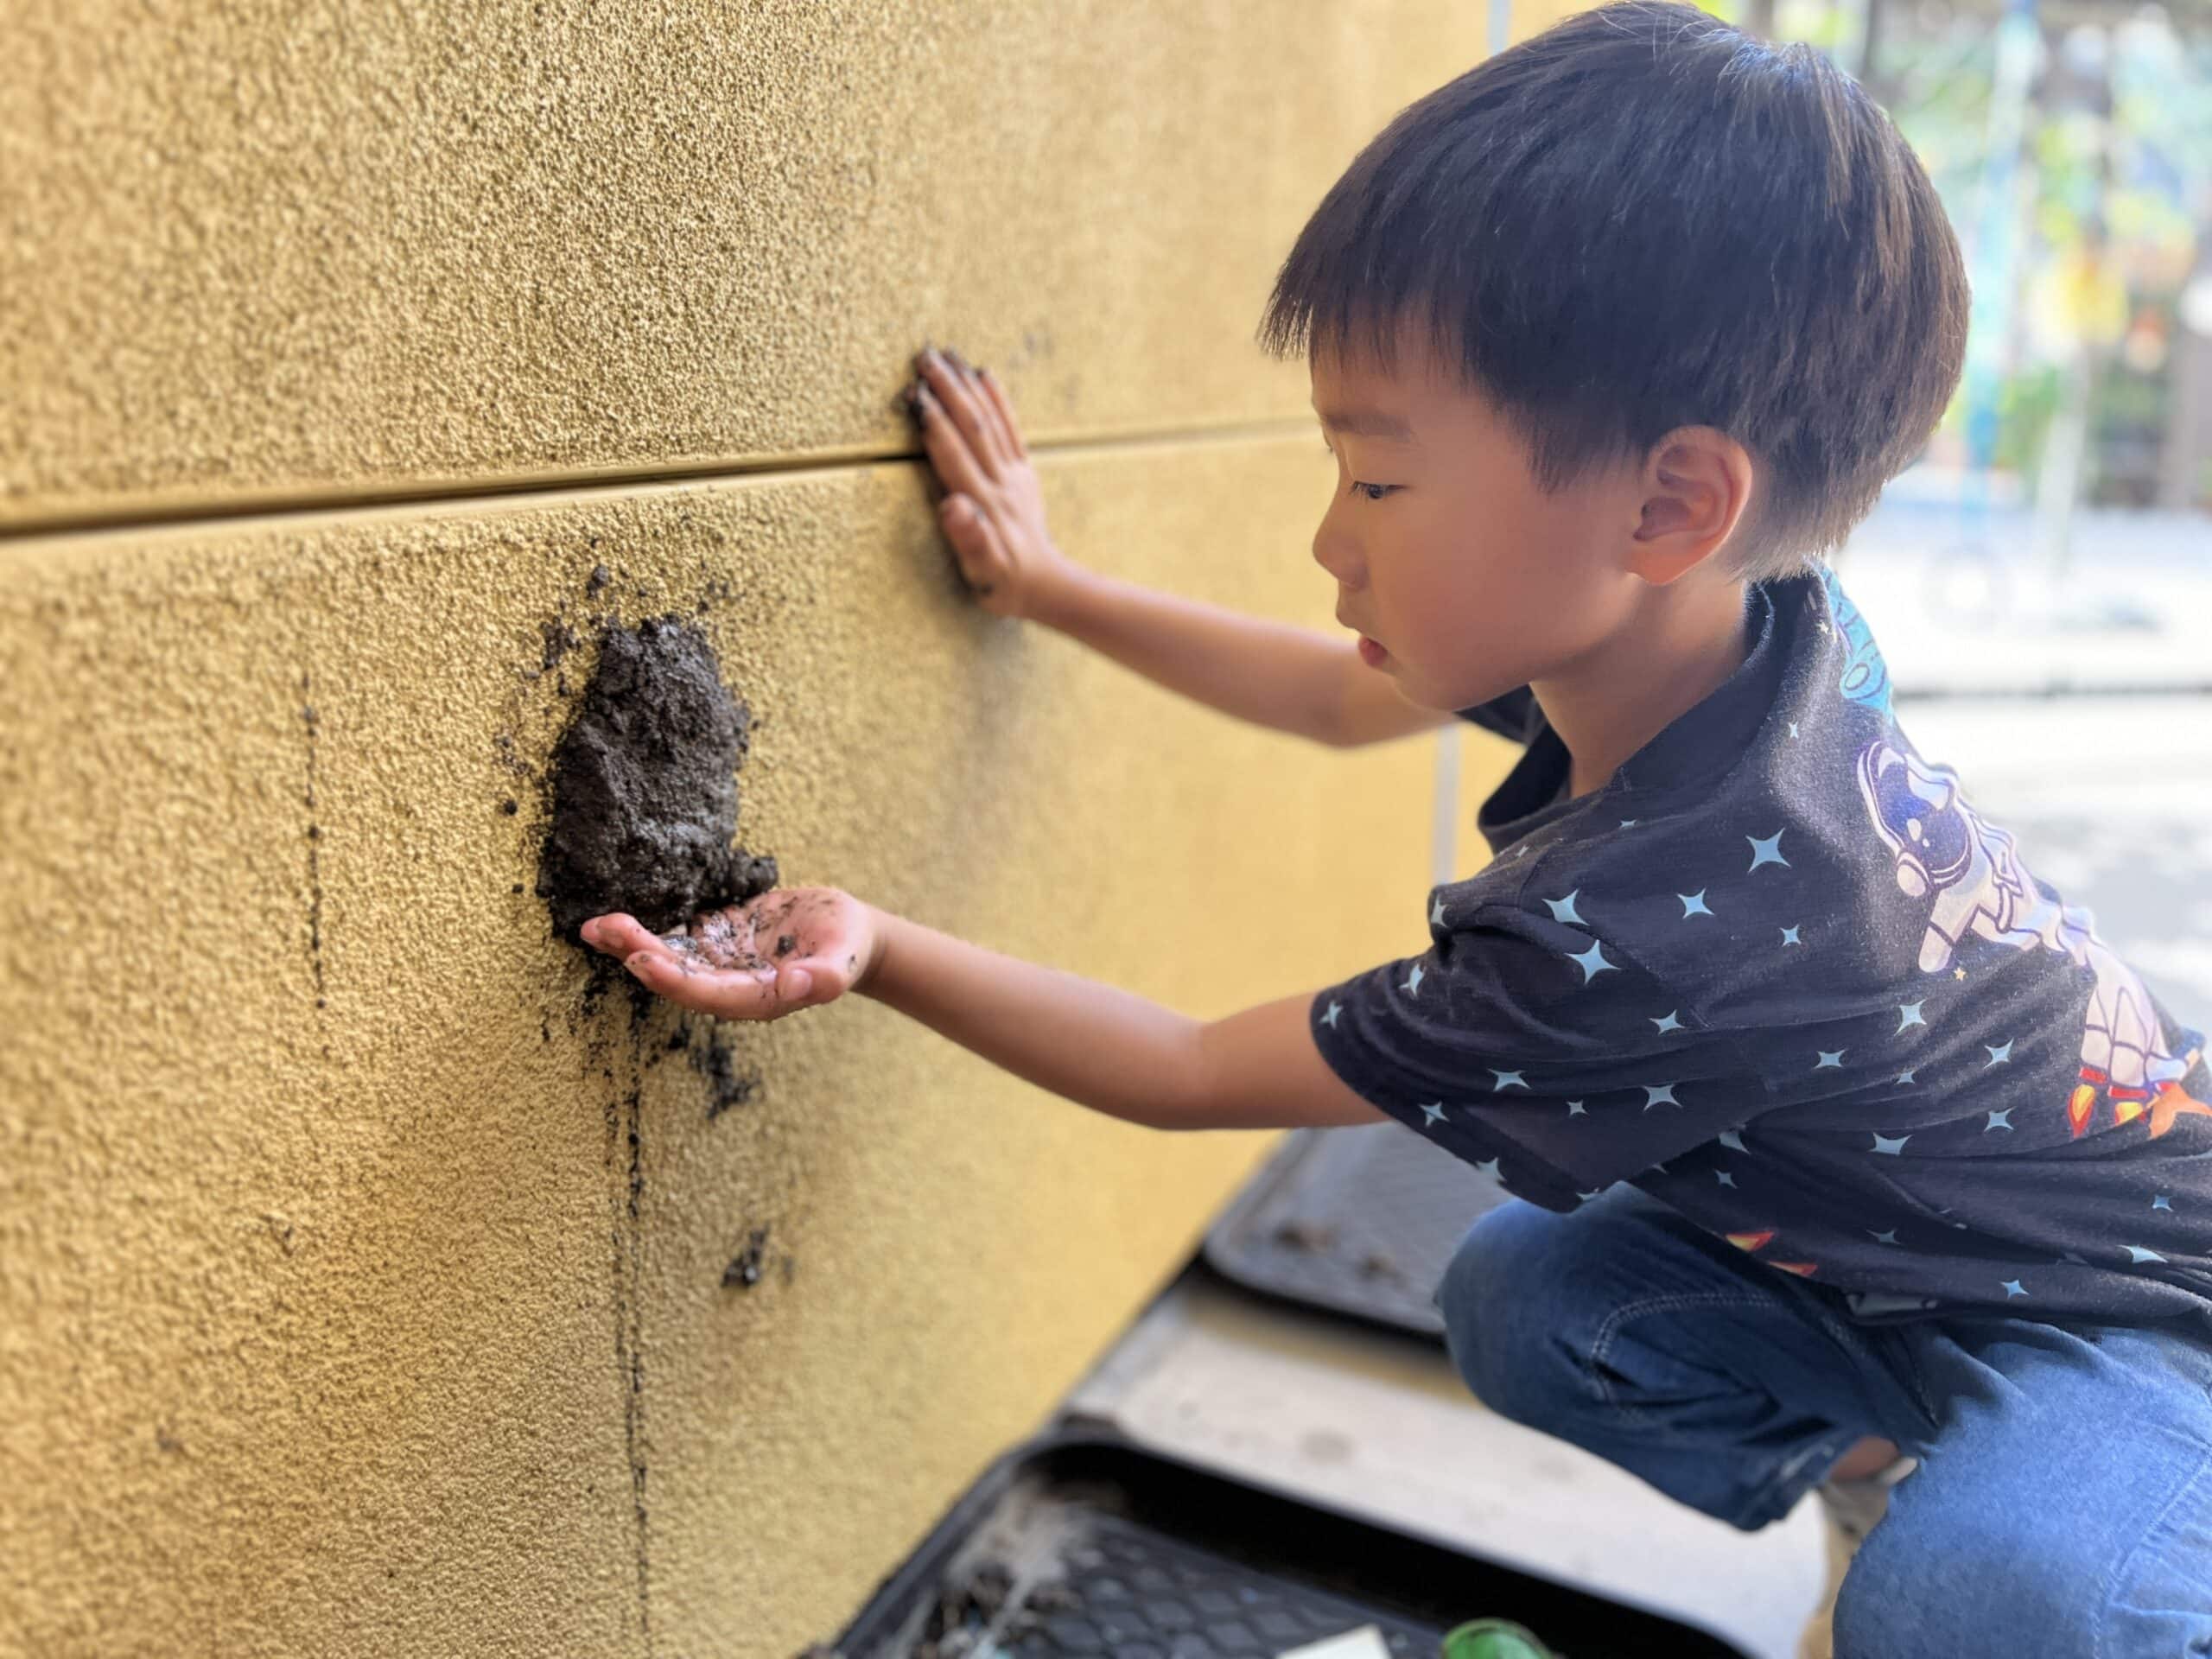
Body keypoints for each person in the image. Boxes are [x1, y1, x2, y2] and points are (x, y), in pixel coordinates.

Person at [585, 5, 2212, 1653]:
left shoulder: (1643, 933)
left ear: (1666, 505)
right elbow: (1333, 695)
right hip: (1943, 1258)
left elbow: (1184, 1069)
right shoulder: (1742, 629)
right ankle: (1920, 1464)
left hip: (2159, 1318)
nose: (1326, 540)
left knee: (1979, 1604)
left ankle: (2070, 1549)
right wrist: (1048, 585)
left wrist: (876, 948)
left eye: (1377, 482)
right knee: (1535, 1305)